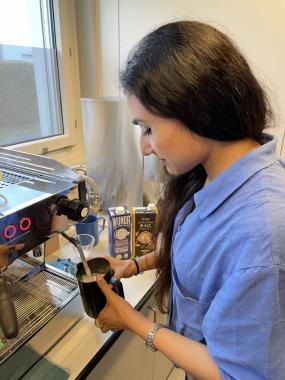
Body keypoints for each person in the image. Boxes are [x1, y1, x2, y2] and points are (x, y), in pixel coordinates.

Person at [94, 20, 285, 379]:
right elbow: (204, 261)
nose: (144, 148)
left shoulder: (260, 233)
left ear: (195, 110)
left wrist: (132, 320)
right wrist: (136, 264)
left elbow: (236, 373)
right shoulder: (211, 172)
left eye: (148, 128)